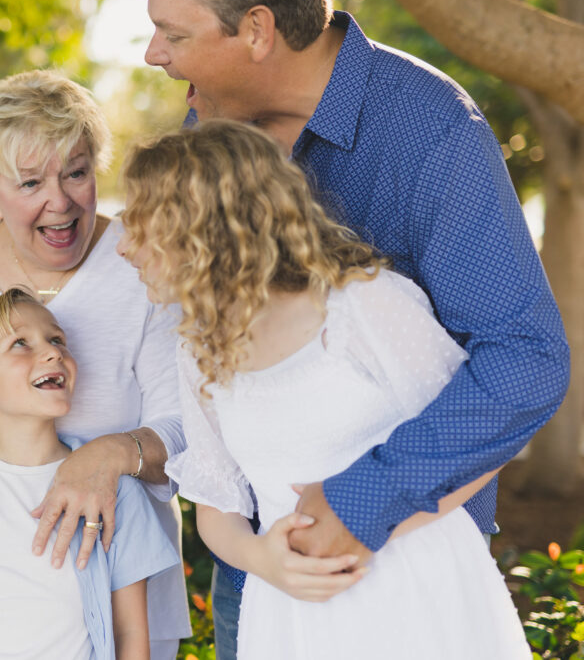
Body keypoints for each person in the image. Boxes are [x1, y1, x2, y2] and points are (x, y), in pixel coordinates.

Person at [142, 0, 569, 655]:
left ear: (256, 30)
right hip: (265, 586)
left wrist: (363, 501)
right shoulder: (212, 129)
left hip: (410, 571)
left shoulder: (430, 129)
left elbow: (525, 355)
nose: (152, 54)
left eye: (175, 34)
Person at [118, 119, 531, 658]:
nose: (125, 247)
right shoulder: (198, 347)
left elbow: (480, 443)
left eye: (142, 225)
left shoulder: (363, 304)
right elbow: (217, 504)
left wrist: (362, 533)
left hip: (417, 594)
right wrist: (265, 560)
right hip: (292, 612)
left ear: (202, 230)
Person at [0, 69, 191, 658]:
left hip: (109, 611)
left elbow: (193, 432)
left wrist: (109, 454)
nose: (59, 202)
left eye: (77, 173)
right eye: (30, 181)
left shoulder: (144, 265)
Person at [0, 288, 179, 659]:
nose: (53, 352)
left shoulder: (116, 489)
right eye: (20, 343)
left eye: (57, 339)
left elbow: (130, 632)